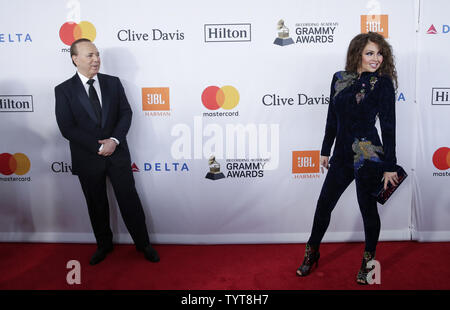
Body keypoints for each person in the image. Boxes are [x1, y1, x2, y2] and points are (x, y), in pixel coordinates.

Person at [296, 32, 398, 284]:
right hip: (341, 155)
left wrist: (389, 165)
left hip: (368, 155)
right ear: (357, 54)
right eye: (370, 53)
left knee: (368, 212)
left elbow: (388, 127)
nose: (376, 58)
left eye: (379, 53)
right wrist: (324, 150)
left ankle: (368, 263)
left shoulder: (383, 83)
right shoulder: (339, 78)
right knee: (323, 206)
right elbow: (333, 117)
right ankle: (312, 253)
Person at [55, 38, 159, 265]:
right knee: (96, 204)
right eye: (89, 55)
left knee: (129, 200)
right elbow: (66, 127)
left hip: (118, 154)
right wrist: (98, 146)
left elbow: (125, 113)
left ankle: (143, 244)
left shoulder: (113, 83)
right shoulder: (63, 90)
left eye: (97, 54)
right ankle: (104, 245)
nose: (96, 59)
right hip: (87, 158)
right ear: (75, 59)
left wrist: (113, 140)